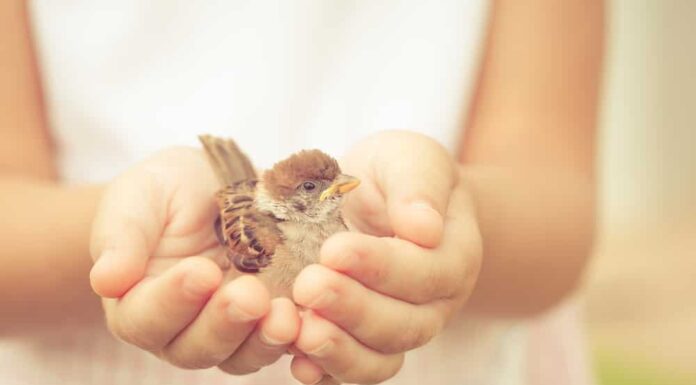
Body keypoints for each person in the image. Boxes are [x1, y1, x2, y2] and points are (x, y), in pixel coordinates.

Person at [0, 1, 602, 384]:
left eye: (333, 182)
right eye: (320, 189)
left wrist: (459, 216)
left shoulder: (350, 231)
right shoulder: (261, 239)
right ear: (289, 202)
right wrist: (126, 237)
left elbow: (554, 192)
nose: (340, 191)